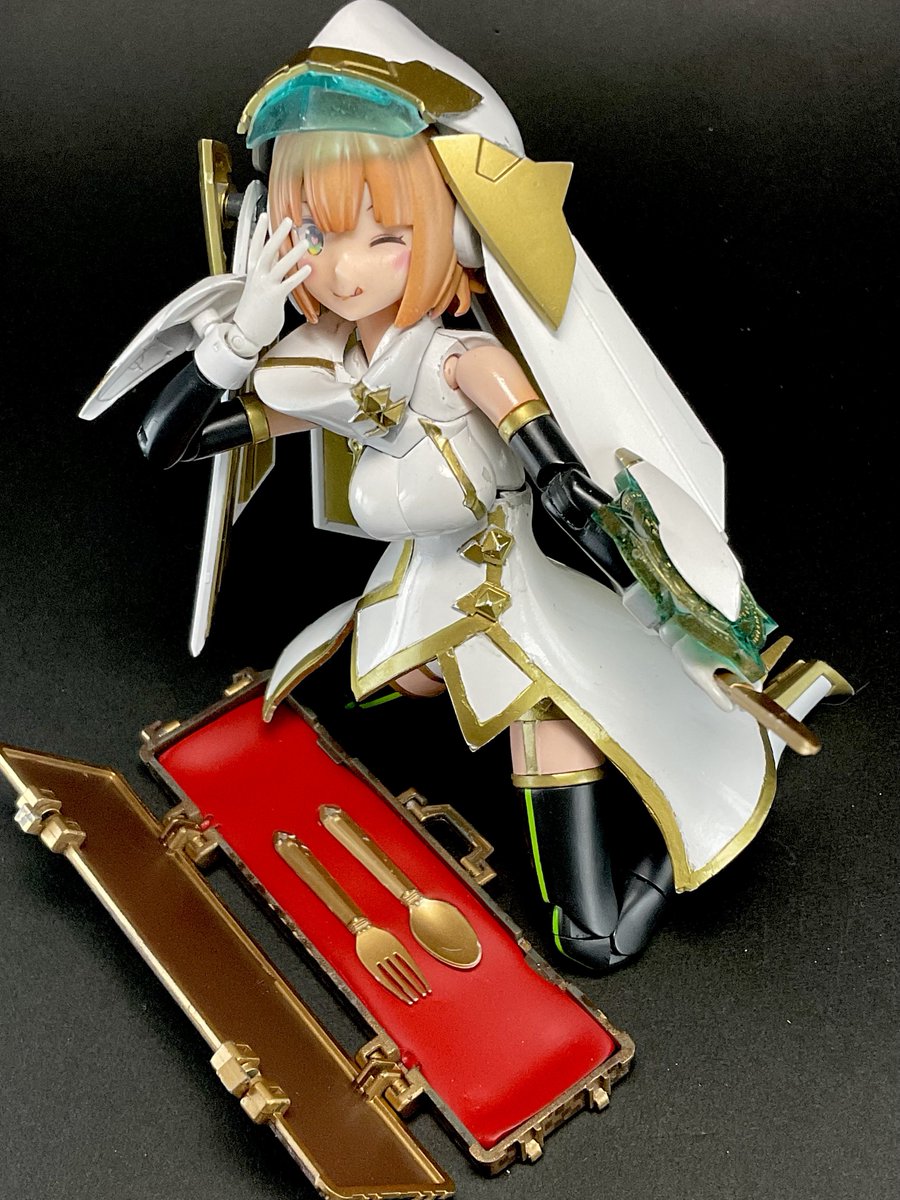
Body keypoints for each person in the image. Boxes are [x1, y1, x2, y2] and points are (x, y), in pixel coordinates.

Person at [82, 1, 846, 970]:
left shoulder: (461, 362)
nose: (345, 270)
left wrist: (668, 607)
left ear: (454, 228)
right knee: (352, 698)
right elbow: (165, 440)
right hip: (420, 588)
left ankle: (678, 831)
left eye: (386, 236)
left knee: (588, 939)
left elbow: (566, 491)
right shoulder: (320, 367)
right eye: (315, 231)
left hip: (517, 597)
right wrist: (240, 335)